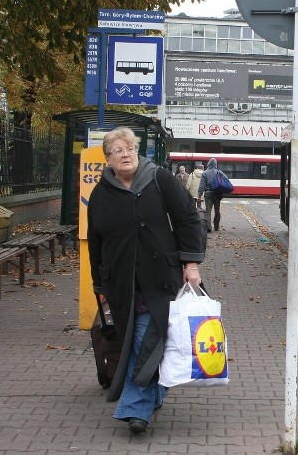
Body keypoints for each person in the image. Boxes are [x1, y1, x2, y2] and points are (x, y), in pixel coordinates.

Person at [87, 127, 206, 435]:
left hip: (162, 278)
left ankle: (134, 408)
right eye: (118, 151)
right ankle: (155, 393)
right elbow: (96, 239)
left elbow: (187, 219)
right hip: (123, 282)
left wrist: (191, 262)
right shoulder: (101, 193)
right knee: (141, 339)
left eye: (130, 149)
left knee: (144, 339)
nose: (125, 155)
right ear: (108, 159)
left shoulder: (159, 179)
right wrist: (99, 281)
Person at [198, 157, 226, 232]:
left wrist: (199, 194)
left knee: (208, 211)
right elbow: (226, 179)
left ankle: (208, 227)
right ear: (215, 164)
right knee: (217, 210)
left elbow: (202, 185)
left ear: (208, 164)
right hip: (217, 194)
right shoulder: (219, 172)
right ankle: (216, 227)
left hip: (208, 194)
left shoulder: (205, 173)